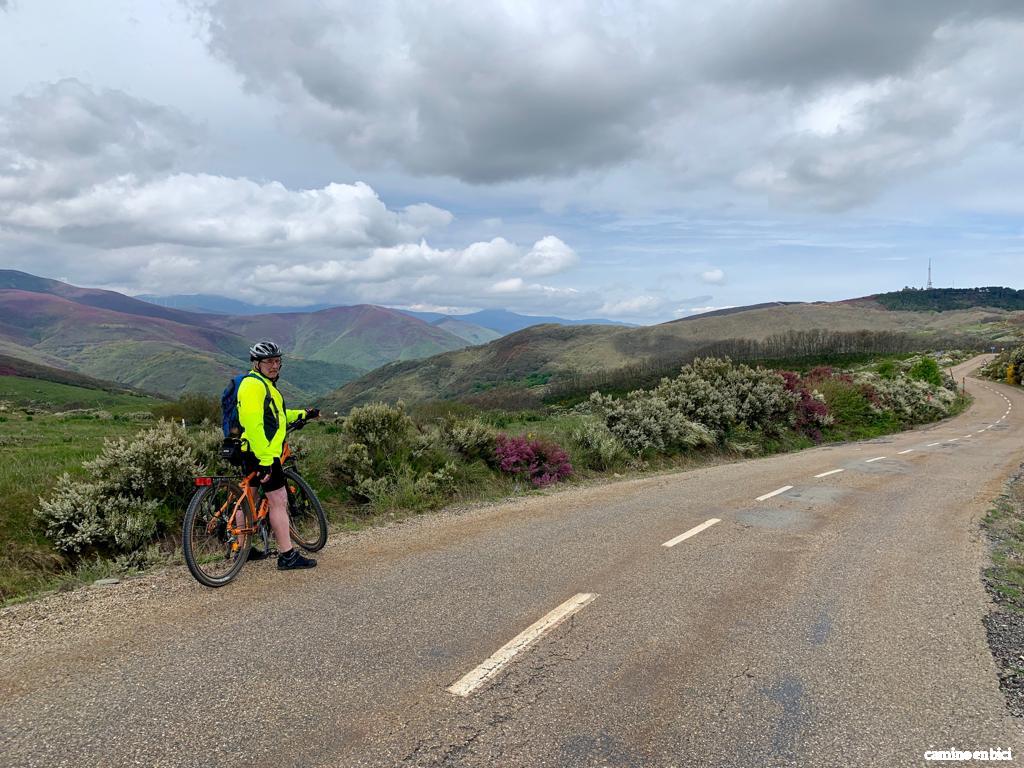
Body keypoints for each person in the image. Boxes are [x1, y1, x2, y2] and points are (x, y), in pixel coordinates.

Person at [238, 340, 320, 570]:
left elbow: (278, 416)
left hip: (252, 453)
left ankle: (241, 549)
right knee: (279, 501)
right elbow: (254, 425)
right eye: (269, 362)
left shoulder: (264, 385)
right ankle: (287, 555)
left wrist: (305, 414)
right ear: (256, 363)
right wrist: (265, 461)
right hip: (263, 454)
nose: (274, 366)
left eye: (277, 361)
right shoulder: (254, 386)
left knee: (249, 498)